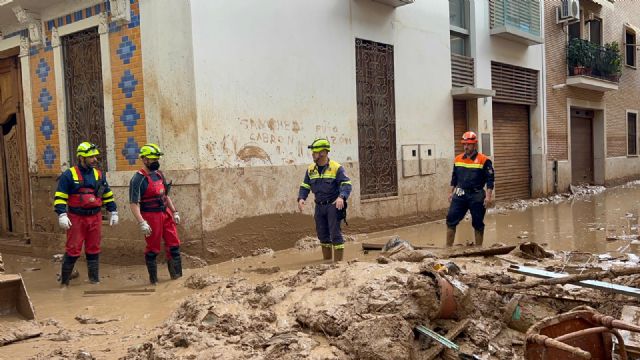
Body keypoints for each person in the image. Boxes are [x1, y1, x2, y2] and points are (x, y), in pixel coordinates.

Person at [53, 142, 118, 285]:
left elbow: (106, 194)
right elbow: (60, 196)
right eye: (91, 157)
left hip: (95, 217)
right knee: (73, 249)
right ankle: (64, 283)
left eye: (95, 156)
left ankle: (94, 280)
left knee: (94, 248)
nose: (95, 159)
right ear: (82, 158)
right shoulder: (69, 175)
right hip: (76, 218)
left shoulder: (99, 175)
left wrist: (113, 210)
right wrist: (62, 214)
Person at [128, 144, 181, 285]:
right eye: (152, 159)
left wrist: (174, 211)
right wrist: (142, 222)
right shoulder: (137, 179)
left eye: (157, 158)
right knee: (153, 248)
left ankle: (177, 278)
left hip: (166, 213)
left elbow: (166, 196)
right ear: (144, 159)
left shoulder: (159, 174)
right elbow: (134, 204)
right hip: (151, 217)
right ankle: (154, 281)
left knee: (174, 245)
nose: (156, 161)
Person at [297, 138, 352, 261]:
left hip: (333, 205)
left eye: (314, 152)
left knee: (335, 233)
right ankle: (327, 262)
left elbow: (346, 184)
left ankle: (338, 265)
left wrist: (341, 197)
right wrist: (301, 198)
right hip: (319, 206)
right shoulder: (311, 169)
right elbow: (305, 185)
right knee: (322, 233)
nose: (312, 155)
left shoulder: (336, 168)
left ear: (323, 153)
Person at [446, 131, 494, 247]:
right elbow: (454, 178)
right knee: (451, 218)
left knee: (477, 222)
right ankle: (448, 248)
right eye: (464, 144)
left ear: (474, 145)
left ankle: (478, 249)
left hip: (477, 195)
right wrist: (451, 193)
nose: (466, 146)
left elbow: (490, 180)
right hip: (460, 194)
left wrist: (488, 197)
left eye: (468, 144)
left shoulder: (484, 160)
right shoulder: (458, 159)